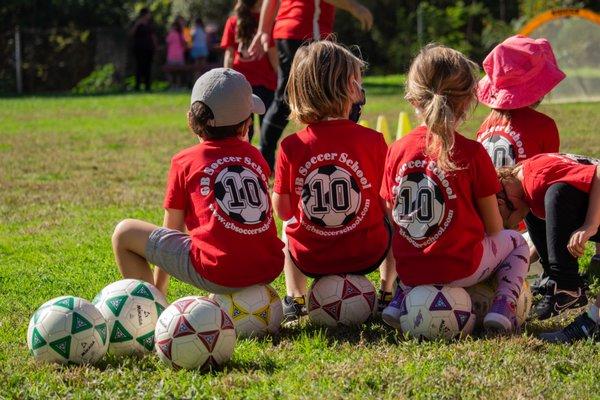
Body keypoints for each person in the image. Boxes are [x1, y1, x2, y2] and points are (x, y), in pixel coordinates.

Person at [380, 44, 529, 333]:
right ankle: (504, 306)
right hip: (463, 269)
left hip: (411, 267)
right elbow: (495, 227)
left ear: (412, 98)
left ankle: (401, 297)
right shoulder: (473, 153)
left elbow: (392, 215)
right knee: (517, 241)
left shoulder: (396, 149)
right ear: (468, 101)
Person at [111, 68, 285, 296]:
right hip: (267, 269)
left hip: (217, 272)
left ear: (191, 118)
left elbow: (172, 229)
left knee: (124, 233)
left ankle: (153, 308)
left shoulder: (184, 161)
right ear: (246, 126)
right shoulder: (256, 157)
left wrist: (160, 288)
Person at [272, 41, 394, 323]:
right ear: (352, 88)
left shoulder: (290, 146)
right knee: (393, 217)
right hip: (368, 252)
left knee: (289, 224)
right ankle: (388, 291)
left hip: (312, 258)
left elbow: (283, 211)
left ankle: (295, 297)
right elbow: (387, 202)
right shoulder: (373, 141)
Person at [476, 34, 567, 275]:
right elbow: (546, 190)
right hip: (524, 228)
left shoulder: (486, 124)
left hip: (486, 227)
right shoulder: (543, 125)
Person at [248, 0, 374, 170]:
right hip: (306, 30)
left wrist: (264, 29)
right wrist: (354, 6)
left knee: (286, 97)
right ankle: (319, 154)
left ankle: (266, 156)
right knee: (323, 94)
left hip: (288, 30)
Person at [496, 153, 600, 320]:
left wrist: (590, 224)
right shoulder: (526, 174)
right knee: (534, 207)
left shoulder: (535, 181)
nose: (514, 227)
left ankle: (567, 286)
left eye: (507, 223)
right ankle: (555, 278)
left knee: (557, 194)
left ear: (501, 203)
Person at [221, 0, 278, 142]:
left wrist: (225, 79)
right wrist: (281, 75)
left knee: (243, 132)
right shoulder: (266, 23)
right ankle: (265, 160)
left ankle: (245, 160)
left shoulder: (233, 22)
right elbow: (272, 53)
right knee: (268, 129)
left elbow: (229, 55)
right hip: (267, 82)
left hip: (241, 84)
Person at [130, 8, 157, 91]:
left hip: (148, 49)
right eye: (148, 13)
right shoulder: (137, 23)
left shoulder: (150, 24)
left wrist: (155, 46)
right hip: (139, 49)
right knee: (139, 67)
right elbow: (131, 33)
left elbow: (153, 36)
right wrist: (137, 24)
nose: (150, 15)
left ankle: (147, 86)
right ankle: (137, 86)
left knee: (148, 68)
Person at [165, 20, 188, 87]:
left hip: (171, 56)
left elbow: (167, 42)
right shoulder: (181, 34)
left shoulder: (172, 34)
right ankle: (178, 85)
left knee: (169, 71)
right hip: (180, 56)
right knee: (178, 72)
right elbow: (185, 44)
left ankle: (172, 85)